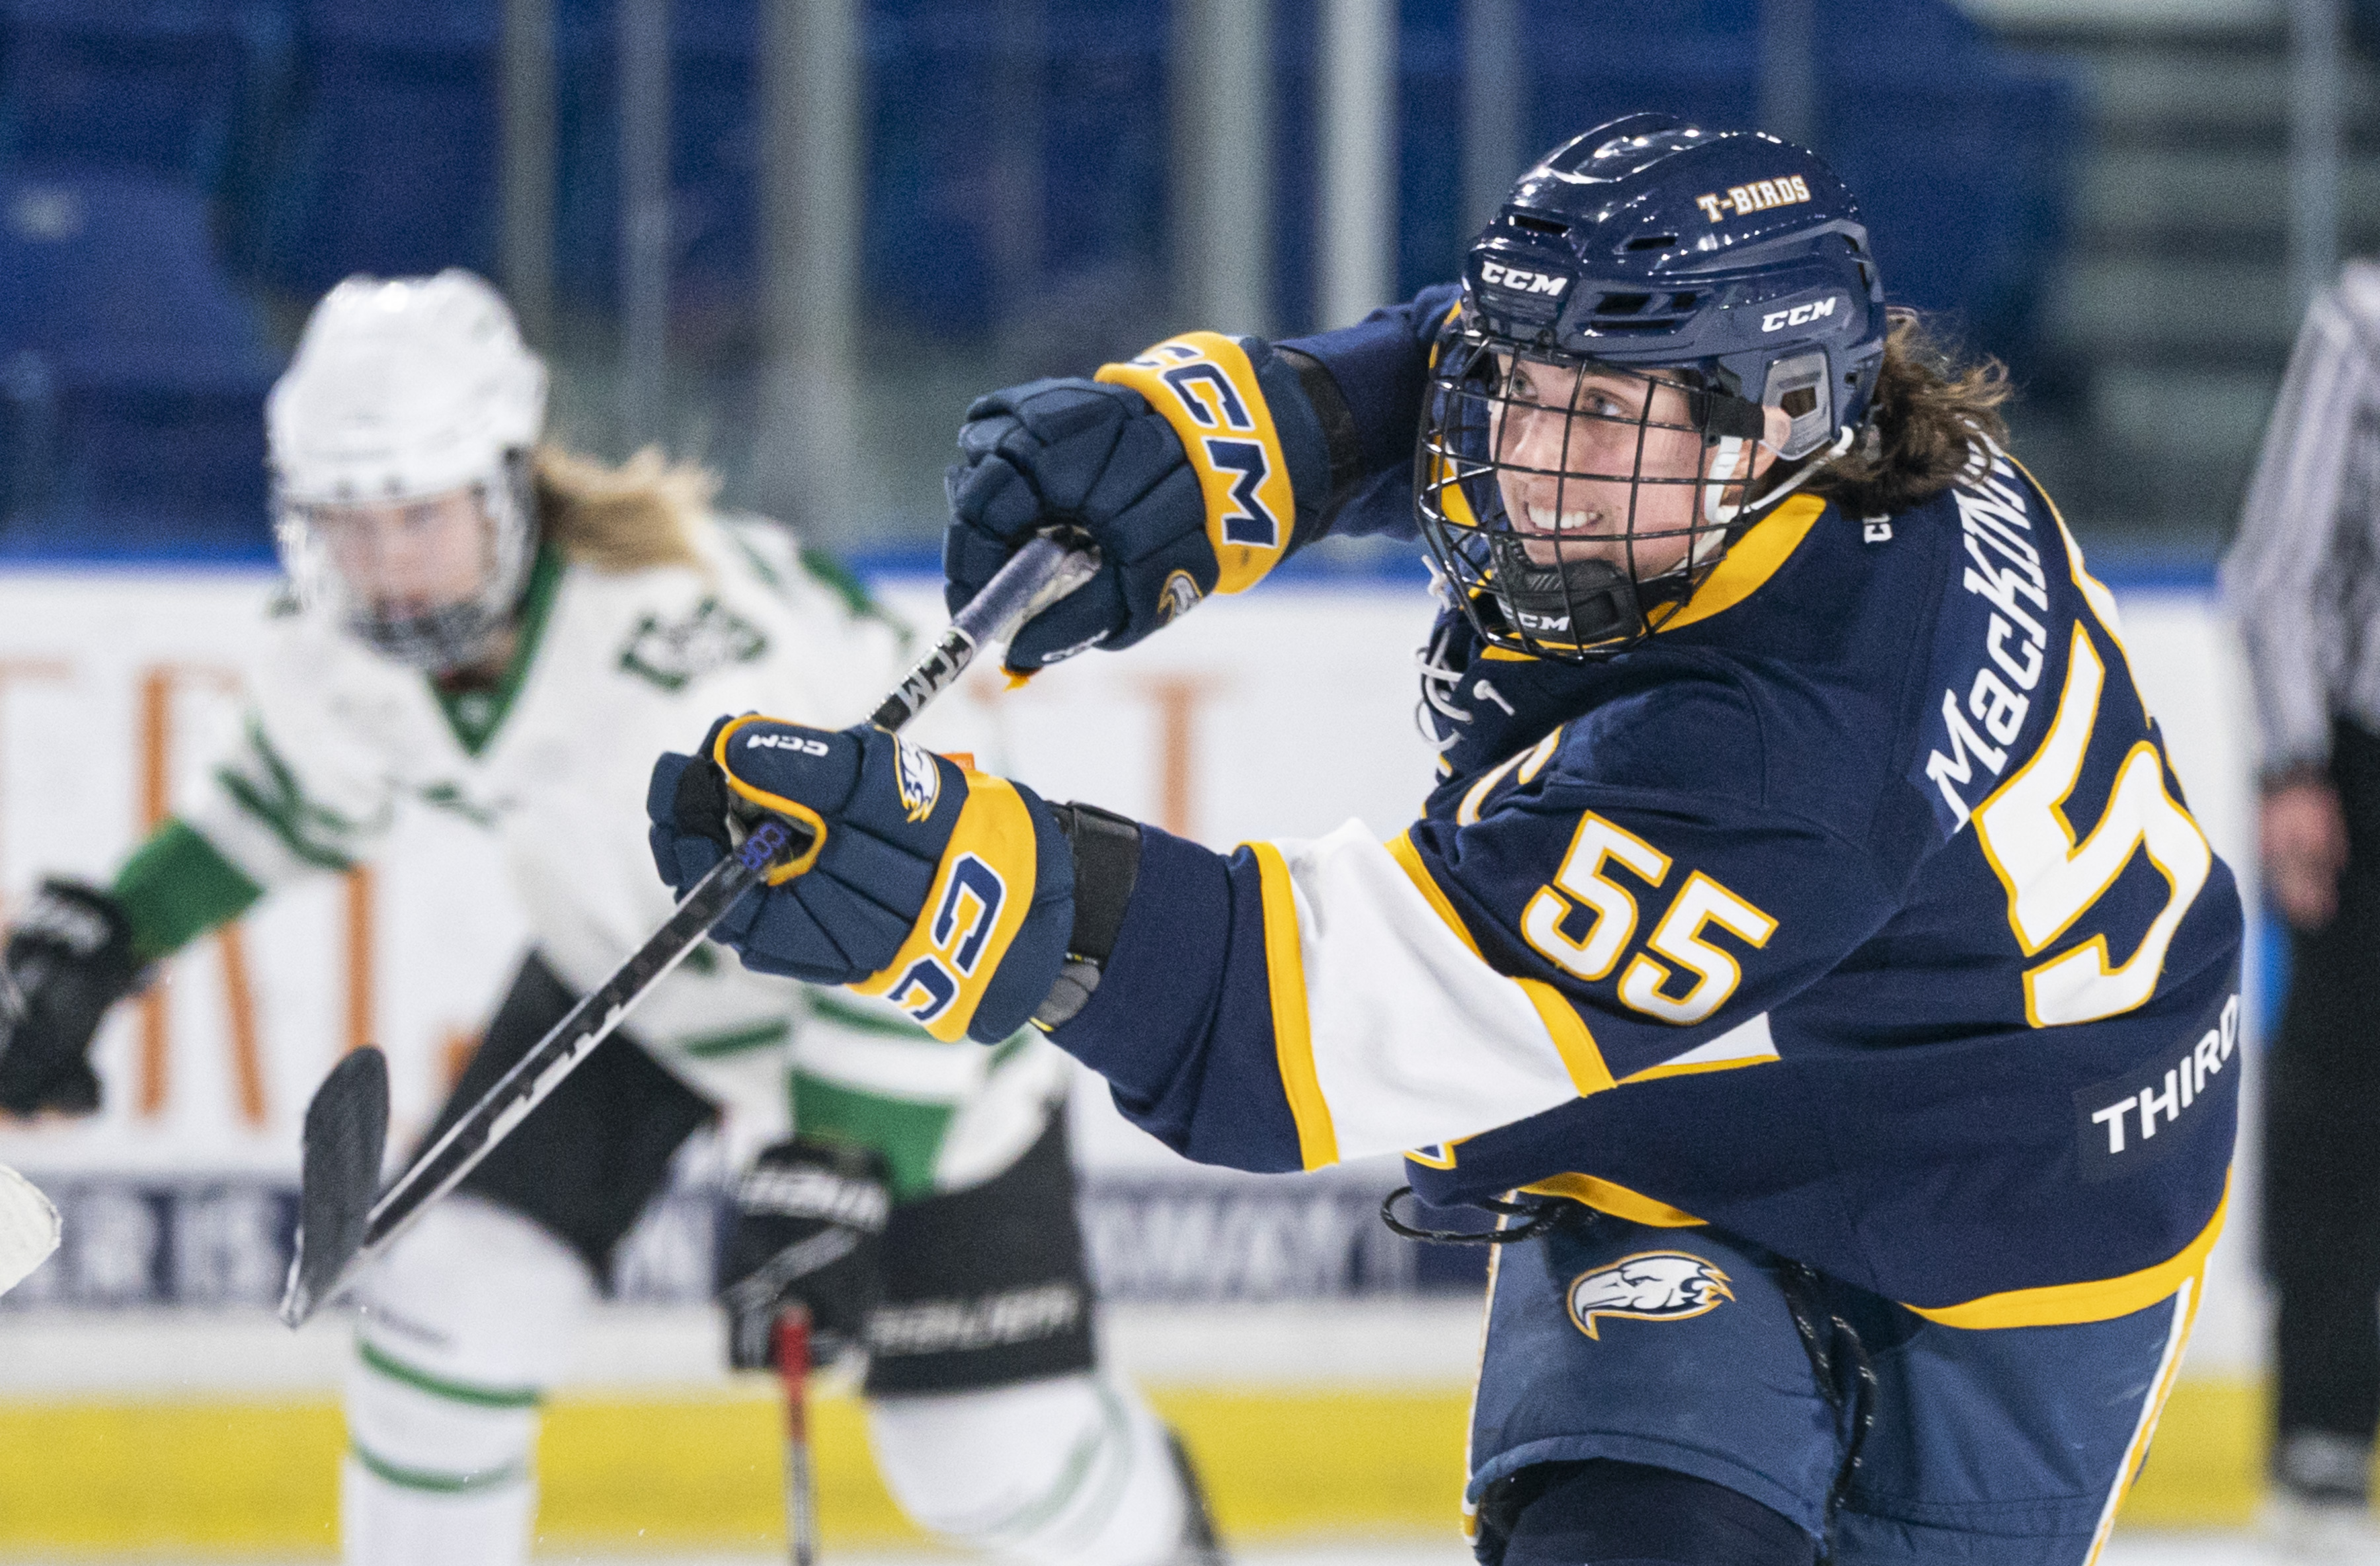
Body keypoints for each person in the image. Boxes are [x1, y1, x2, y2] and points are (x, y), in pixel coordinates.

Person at [647, 115, 2246, 1566]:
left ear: (1787, 416)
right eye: (1527, 389)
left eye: (1601, 413)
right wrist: (1217, 441)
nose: (1531, 462)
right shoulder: (1802, 448)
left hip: (2015, 1211)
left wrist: (957, 882)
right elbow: (1450, 360)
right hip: (1706, 1129)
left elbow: (1294, 1024)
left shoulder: (1787, 747)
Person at [0, 270, 1222, 1566]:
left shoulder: (696, 654)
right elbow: (285, 802)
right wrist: (110, 936)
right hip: (633, 987)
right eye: (346, 524)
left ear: (507, 487)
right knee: (447, 1304)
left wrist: (845, 1148)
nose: (385, 566)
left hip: (912, 992)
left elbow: (934, 877)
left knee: (984, 1459)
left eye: (417, 516)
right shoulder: (350, 646)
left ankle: (1170, 1537)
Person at [2222, 256, 2380, 1560]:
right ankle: (2323, 1438)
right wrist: (2292, 766)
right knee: (2343, 1114)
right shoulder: (2365, 318)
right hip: (2366, 776)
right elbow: (2277, 565)